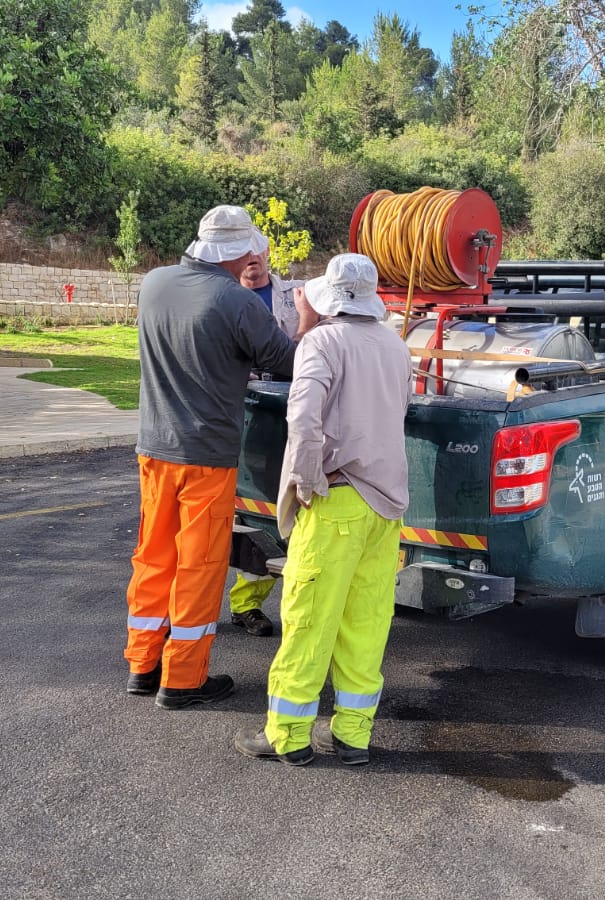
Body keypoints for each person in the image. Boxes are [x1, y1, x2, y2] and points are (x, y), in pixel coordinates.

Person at [234, 253, 411, 766]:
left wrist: (307, 482)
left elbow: (303, 420)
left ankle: (288, 735)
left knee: (309, 619)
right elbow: (399, 412)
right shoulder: (395, 347)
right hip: (385, 507)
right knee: (366, 622)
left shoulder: (322, 342)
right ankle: (353, 734)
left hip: (337, 503)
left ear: (329, 297)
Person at [124, 205, 295, 709]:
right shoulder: (236, 301)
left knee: (154, 556)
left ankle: (143, 665)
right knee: (198, 564)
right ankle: (183, 679)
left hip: (155, 448)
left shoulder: (154, 283)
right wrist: (313, 327)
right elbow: (286, 359)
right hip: (207, 456)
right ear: (242, 251)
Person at [227, 249, 314, 637]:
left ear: (265, 253)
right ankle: (245, 604)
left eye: (257, 251)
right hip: (249, 418)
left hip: (297, 416)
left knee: (293, 512)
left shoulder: (297, 294)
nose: (252, 259)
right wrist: (306, 324)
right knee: (256, 516)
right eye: (243, 253)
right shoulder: (227, 301)